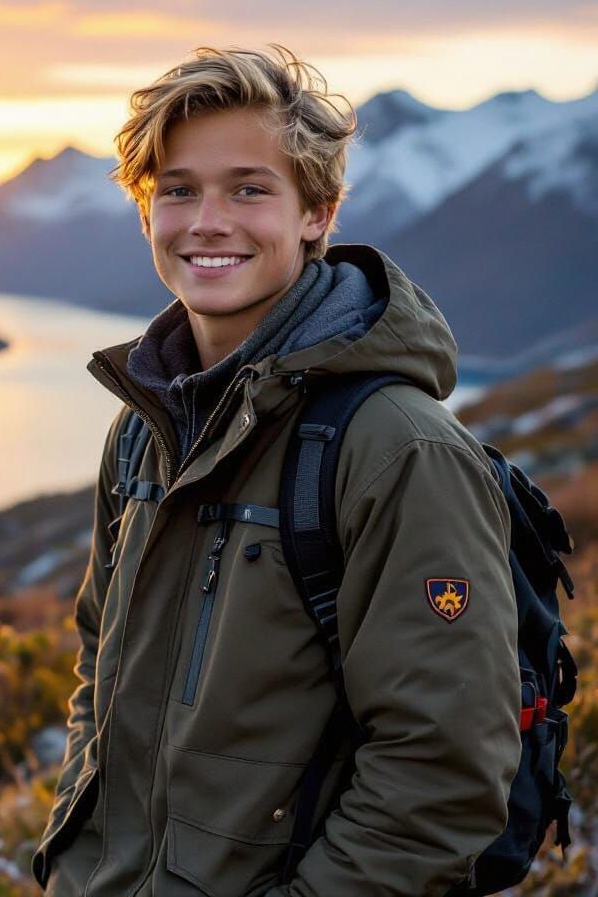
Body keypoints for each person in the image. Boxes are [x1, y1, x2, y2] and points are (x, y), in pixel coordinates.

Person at [32, 44, 521, 896]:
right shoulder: (145, 425)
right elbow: (96, 663)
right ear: (147, 209)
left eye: (249, 189)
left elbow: (441, 776)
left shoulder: (397, 448)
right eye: (178, 189)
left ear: (317, 214)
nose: (207, 221)